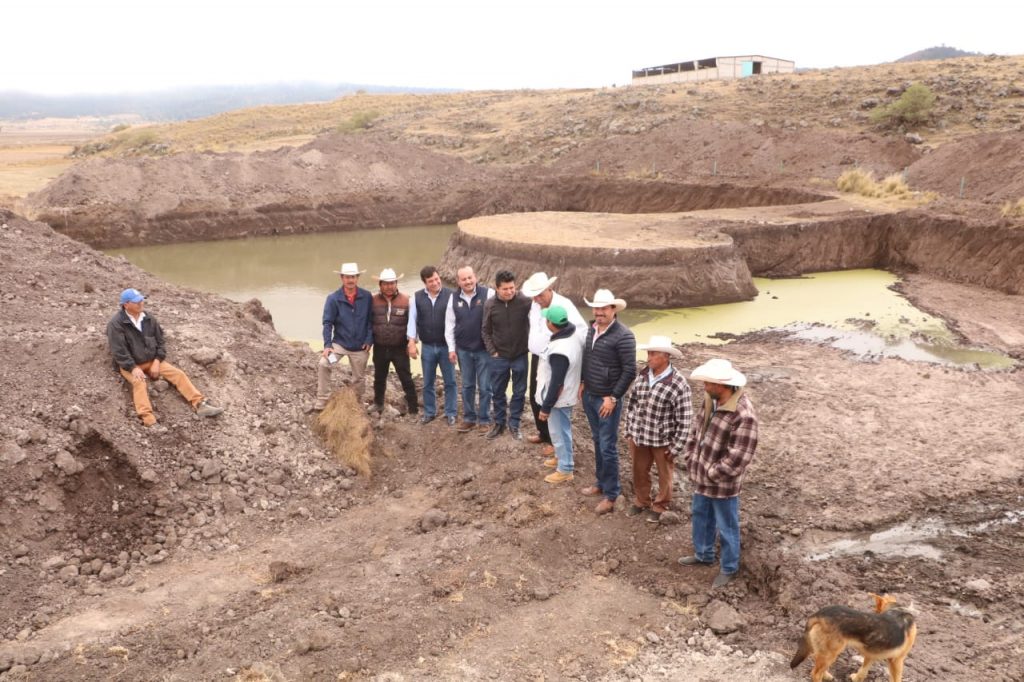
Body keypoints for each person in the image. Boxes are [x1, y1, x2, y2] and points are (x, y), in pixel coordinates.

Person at [677, 358, 759, 589]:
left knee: (726, 525)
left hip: (722, 484)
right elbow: (696, 429)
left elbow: (740, 457)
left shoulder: (744, 414)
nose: (704, 386)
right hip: (702, 475)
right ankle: (703, 554)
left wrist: (712, 472)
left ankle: (729, 568)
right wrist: (691, 456)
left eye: (708, 383)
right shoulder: (710, 400)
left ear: (721, 385)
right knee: (701, 516)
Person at [107, 288, 224, 427]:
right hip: (131, 365)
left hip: (151, 360)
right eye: (136, 302)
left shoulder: (149, 319)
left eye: (141, 300)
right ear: (126, 305)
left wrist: (157, 361)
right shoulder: (116, 324)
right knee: (139, 383)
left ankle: (199, 404)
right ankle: (148, 420)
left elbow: (161, 342)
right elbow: (118, 350)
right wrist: (132, 368)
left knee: (178, 374)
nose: (141, 303)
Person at [623, 335, 693, 523]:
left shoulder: (678, 383)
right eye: (648, 353)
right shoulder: (643, 374)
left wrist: (676, 447)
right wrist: (629, 429)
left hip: (663, 441)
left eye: (653, 354)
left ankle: (660, 504)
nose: (649, 357)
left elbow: (685, 419)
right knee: (639, 471)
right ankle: (641, 500)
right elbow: (632, 402)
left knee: (665, 475)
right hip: (639, 436)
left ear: (666, 357)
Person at [579, 288, 636, 514]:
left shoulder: (624, 335)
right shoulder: (591, 330)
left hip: (606, 401)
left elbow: (630, 370)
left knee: (608, 446)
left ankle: (612, 494)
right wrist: (583, 381)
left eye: (603, 308)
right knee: (596, 440)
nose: (599, 312)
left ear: (613, 309)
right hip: (590, 396)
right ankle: (600, 483)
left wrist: (613, 397)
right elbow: (588, 358)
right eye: (596, 308)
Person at [521, 271, 587, 459]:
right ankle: (543, 433)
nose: (537, 299)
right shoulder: (535, 305)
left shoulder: (564, 306)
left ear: (550, 289)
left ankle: (554, 442)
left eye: (540, 294)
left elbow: (581, 333)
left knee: (553, 400)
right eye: (534, 295)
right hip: (538, 356)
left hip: (557, 359)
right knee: (535, 396)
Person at [534, 306, 583, 484]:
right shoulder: (571, 335)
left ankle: (565, 468)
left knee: (559, 432)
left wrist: (546, 407)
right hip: (563, 395)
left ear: (551, 324)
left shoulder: (560, 350)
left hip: (559, 399)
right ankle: (560, 456)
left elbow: (557, 382)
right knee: (560, 430)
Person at [481, 270, 531, 440]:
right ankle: (499, 424)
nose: (510, 292)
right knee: (498, 392)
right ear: (496, 288)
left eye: (512, 288)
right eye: (505, 289)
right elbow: (485, 330)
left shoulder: (525, 301)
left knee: (519, 391)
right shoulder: (490, 304)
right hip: (499, 356)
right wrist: (492, 351)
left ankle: (515, 424)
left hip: (520, 355)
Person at [444, 265, 495, 433]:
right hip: (463, 351)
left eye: (470, 278)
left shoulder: (488, 294)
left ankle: (485, 419)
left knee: (485, 387)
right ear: (458, 281)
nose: (467, 281)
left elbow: (497, 321)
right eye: (463, 279)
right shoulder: (453, 298)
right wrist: (452, 349)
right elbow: (449, 325)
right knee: (467, 385)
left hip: (484, 350)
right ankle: (469, 418)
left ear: (476, 277)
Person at [317, 262, 373, 410]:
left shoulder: (367, 297)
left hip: (360, 347)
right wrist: (328, 345)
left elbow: (371, 321)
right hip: (339, 346)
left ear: (358, 278)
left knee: (359, 378)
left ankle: (356, 402)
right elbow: (327, 323)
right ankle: (323, 399)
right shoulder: (333, 298)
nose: (350, 280)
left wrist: (369, 339)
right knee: (324, 364)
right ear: (342, 278)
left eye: (353, 277)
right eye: (347, 277)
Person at [407, 265, 457, 425]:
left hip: (446, 346)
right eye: (431, 281)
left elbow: (457, 321)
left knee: (450, 381)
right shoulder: (416, 298)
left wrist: (454, 347)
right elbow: (412, 321)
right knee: (428, 382)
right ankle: (429, 412)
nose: (435, 283)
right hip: (427, 346)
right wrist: (412, 342)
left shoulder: (451, 295)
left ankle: (451, 413)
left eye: (437, 279)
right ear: (425, 283)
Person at [369, 268, 418, 416]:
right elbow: (367, 322)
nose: (389, 286)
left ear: (396, 283)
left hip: (400, 348)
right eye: (386, 283)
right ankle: (378, 403)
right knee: (379, 378)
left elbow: (414, 323)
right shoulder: (372, 300)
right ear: (380, 284)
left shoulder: (407, 300)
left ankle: (413, 408)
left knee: (406, 378)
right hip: (380, 347)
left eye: (392, 283)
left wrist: (413, 342)